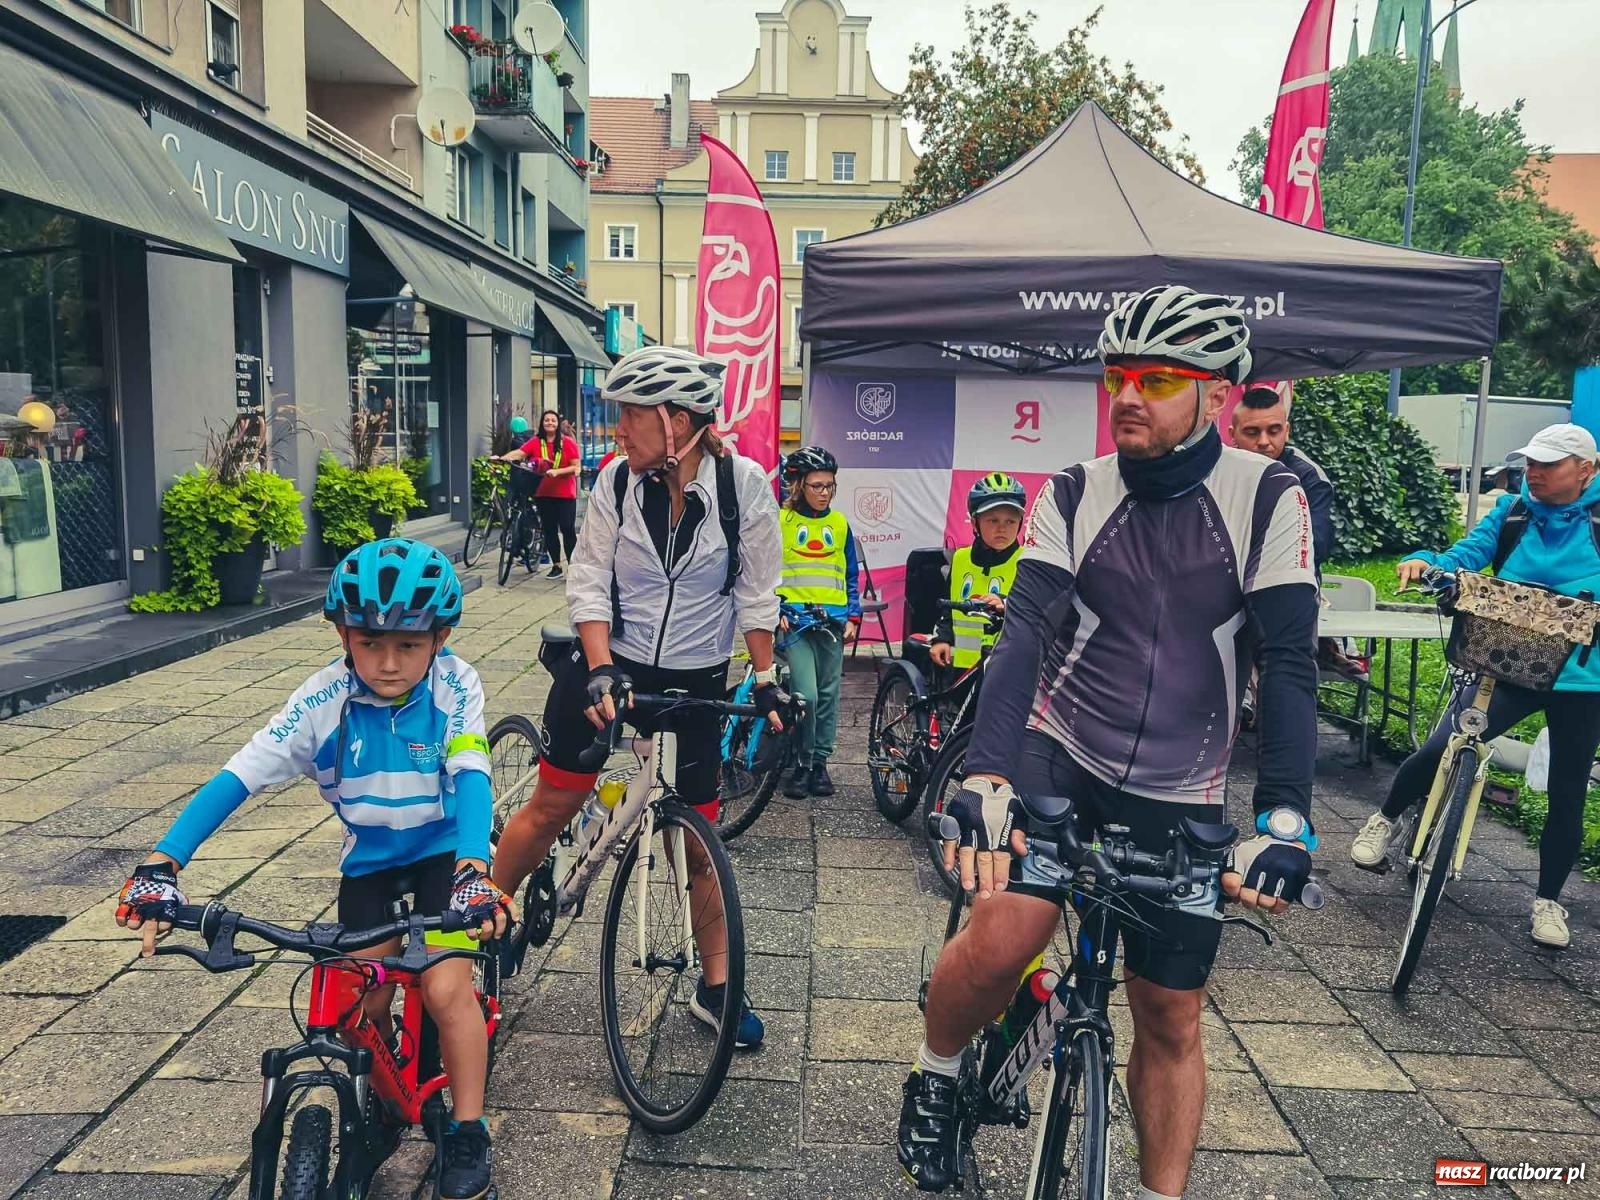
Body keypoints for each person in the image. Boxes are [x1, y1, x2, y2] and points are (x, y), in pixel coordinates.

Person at [897, 286, 1321, 1200]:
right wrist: (989, 773)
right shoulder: (1077, 491)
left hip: (1183, 785)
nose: (1127, 394)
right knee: (1006, 936)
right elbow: (1022, 639)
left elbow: (1288, 665)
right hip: (1063, 755)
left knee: (1169, 1016)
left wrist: (1285, 817)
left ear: (1215, 396)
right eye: (1118, 374)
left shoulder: (1268, 497)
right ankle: (935, 1076)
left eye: (1158, 378)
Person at [113, 539, 510, 1199]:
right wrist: (163, 860)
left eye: (409, 646)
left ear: (440, 638)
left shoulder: (456, 683)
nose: (387, 663)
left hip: (446, 854)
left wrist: (475, 867)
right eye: (369, 642)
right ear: (341, 633)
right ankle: (385, 1098)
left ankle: (468, 1130)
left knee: (444, 991)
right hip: (372, 862)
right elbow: (238, 777)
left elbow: (471, 773)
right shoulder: (322, 699)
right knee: (361, 1000)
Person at [490, 345, 784, 1049]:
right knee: (555, 801)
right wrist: (598, 668)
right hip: (607, 666)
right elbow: (588, 581)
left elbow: (757, 595)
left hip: (694, 680)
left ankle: (716, 988)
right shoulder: (615, 485)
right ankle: (485, 916)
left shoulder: (745, 490)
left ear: (676, 421)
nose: (619, 428)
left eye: (629, 414)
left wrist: (768, 680)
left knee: (698, 843)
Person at [1351, 422, 1600, 949]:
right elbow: (1468, 552)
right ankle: (1387, 819)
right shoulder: (1512, 512)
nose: (1534, 473)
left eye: (1548, 464)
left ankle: (1548, 902)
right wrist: (1430, 564)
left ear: (1586, 470)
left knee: (1568, 790)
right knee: (1445, 743)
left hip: (1583, 678)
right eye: (1530, 462)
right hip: (1508, 661)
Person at [1229, 387, 1361, 682]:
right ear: (1232, 434)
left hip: (1287, 591)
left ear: (1286, 430)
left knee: (1284, 676)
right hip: (1224, 589)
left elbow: (1317, 545)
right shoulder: (1217, 472)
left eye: (1274, 430)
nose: (1264, 441)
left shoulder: (1309, 477)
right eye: (1252, 432)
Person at [777, 445, 862, 799]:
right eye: (817, 486)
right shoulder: (781, 522)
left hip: (832, 623)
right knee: (806, 697)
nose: (825, 492)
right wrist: (774, 608)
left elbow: (851, 574)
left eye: (829, 486)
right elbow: (765, 571)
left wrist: (853, 614)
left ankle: (820, 764)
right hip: (794, 624)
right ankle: (802, 760)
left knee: (828, 696)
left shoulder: (840, 524)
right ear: (797, 485)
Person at [929, 473, 1026, 672]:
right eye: (992, 520)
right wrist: (941, 639)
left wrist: (1006, 604)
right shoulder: (961, 558)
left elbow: (1038, 611)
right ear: (974, 523)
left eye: (1010, 521)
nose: (1002, 528)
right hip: (961, 667)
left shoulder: (1028, 562)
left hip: (1006, 667)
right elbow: (949, 607)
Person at [496, 410, 580, 578]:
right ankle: (556, 565)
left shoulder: (568, 443)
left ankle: (573, 566)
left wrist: (558, 472)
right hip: (543, 492)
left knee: (567, 529)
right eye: (546, 420)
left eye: (553, 420)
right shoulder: (536, 441)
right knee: (549, 530)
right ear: (542, 423)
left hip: (565, 494)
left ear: (557, 424)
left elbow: (576, 468)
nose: (550, 423)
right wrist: (503, 457)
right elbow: (520, 453)